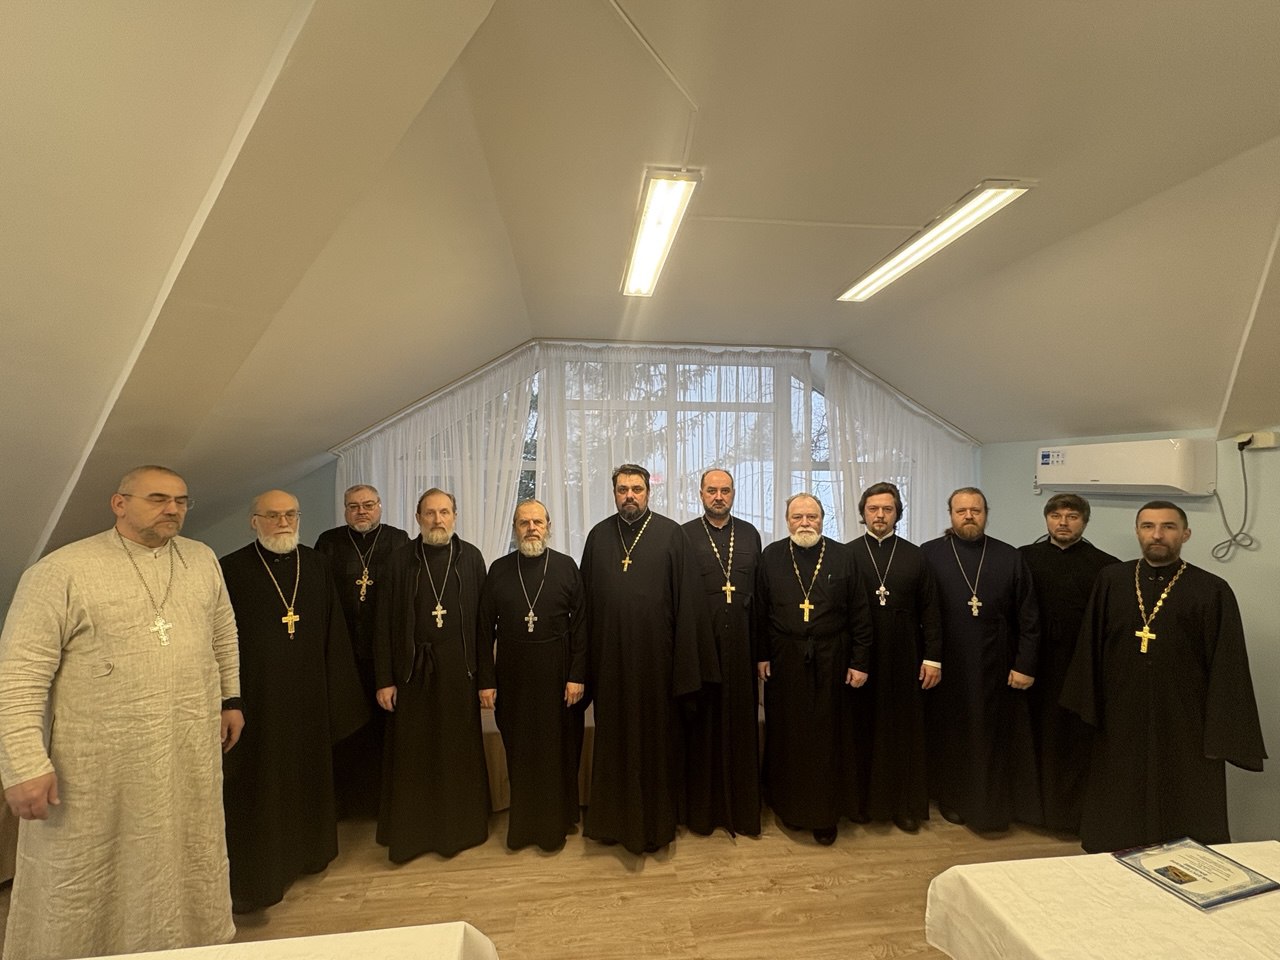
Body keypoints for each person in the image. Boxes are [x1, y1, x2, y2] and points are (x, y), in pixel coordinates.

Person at [0, 465, 242, 960]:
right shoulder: (60, 571)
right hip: (96, 765)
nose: (172, 509)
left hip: (186, 748)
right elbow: (19, 674)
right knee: (86, 872)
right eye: (157, 498)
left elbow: (223, 633)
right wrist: (23, 764)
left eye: (181, 501)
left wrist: (230, 699)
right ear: (119, 503)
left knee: (187, 853)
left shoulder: (200, 559)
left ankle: (184, 947)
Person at [1062, 501, 1267, 853]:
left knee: (1183, 805)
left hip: (1185, 718)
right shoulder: (1112, 580)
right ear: (1137, 532)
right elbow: (1089, 647)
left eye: (1168, 527)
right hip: (1120, 714)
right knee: (1119, 794)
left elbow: (1227, 666)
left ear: (1185, 534)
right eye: (1148, 526)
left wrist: (1219, 730)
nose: (1157, 535)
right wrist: (1089, 708)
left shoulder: (1211, 589)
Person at [219, 490, 367, 913]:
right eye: (272, 516)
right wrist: (229, 698)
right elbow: (221, 638)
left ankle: (311, 853)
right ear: (254, 521)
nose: (283, 523)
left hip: (310, 693)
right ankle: (266, 867)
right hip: (258, 698)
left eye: (290, 515)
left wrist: (338, 694)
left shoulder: (315, 564)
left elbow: (334, 630)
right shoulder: (231, 569)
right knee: (262, 778)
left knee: (309, 772)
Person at [580, 464, 713, 854]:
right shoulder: (598, 536)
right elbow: (585, 607)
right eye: (622, 489)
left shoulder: (671, 534)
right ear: (614, 493)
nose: (629, 496)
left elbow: (688, 605)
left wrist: (684, 669)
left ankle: (654, 827)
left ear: (648, 492)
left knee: (655, 745)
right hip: (610, 663)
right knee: (613, 742)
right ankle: (610, 823)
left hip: (657, 664)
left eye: (636, 489)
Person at [375, 488, 491, 862]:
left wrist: (486, 680)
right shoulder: (399, 560)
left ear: (454, 516)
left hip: (460, 672)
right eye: (430, 513)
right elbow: (383, 624)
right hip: (412, 673)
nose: (437, 520)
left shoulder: (471, 557)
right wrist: (384, 679)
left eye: (444, 512)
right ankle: (414, 835)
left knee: (456, 750)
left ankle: (460, 831)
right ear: (418, 518)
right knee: (415, 754)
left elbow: (483, 627)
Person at [755, 492, 873, 845]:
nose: (805, 523)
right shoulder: (771, 556)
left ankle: (824, 815)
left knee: (827, 738)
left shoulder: (843, 556)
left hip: (832, 656)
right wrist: (762, 655)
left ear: (823, 519)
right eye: (798, 517)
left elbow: (860, 613)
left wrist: (859, 661)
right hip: (784, 657)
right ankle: (789, 809)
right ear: (787, 521)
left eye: (812, 516)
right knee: (788, 735)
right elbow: (760, 611)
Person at [921, 487, 1039, 832]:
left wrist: (1025, 663)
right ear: (950, 515)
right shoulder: (929, 554)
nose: (969, 516)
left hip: (996, 661)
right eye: (961, 511)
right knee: (951, 733)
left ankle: (991, 803)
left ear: (986, 514)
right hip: (948, 661)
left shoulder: (1009, 556)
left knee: (991, 735)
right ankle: (952, 798)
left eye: (976, 510)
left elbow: (1028, 615)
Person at [477, 499, 587, 851]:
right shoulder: (499, 570)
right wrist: (486, 681)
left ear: (548, 526)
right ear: (515, 528)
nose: (531, 528)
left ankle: (558, 823)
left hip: (558, 675)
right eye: (524, 523)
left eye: (537, 522)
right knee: (521, 751)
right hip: (513, 676)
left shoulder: (566, 567)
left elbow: (582, 627)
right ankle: (523, 828)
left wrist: (577, 676)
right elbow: (483, 630)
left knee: (556, 751)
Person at [1018, 493, 1117, 832]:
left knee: (1073, 741)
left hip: (1080, 668)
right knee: (1032, 737)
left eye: (1072, 516)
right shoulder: (1023, 558)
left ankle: (1070, 817)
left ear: (1084, 522)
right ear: (1046, 519)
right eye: (1056, 515)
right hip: (1033, 667)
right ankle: (1030, 813)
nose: (1063, 522)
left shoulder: (1106, 567)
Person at [847, 481, 942, 833]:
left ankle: (903, 805)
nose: (880, 515)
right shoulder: (848, 554)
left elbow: (931, 609)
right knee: (861, 729)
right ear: (863, 513)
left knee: (902, 731)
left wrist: (933, 657)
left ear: (897, 514)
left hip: (905, 654)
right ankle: (860, 803)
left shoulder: (916, 556)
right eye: (873, 509)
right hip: (861, 656)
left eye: (887, 509)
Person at [314, 484, 409, 817]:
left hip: (385, 655)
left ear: (380, 506)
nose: (361, 512)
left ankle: (384, 804)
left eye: (368, 505)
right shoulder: (328, 542)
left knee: (384, 731)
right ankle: (347, 804)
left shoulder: (398, 541)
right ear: (345, 510)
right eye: (353, 506)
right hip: (343, 655)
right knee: (347, 727)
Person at [681, 469, 763, 837]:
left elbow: (759, 597)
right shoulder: (684, 535)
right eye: (712, 490)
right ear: (700, 493)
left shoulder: (749, 534)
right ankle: (702, 814)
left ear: (733, 493)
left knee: (741, 730)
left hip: (742, 648)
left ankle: (742, 813)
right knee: (702, 731)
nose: (719, 496)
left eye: (725, 490)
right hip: (701, 649)